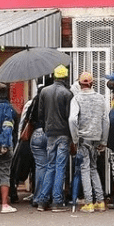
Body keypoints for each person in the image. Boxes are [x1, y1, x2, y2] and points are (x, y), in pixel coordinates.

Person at [68, 72, 109, 213]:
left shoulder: (77, 99)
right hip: (96, 138)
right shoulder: (101, 98)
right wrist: (103, 140)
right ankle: (100, 201)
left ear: (80, 84)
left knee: (84, 169)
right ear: (92, 83)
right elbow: (106, 120)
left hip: (83, 138)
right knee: (93, 168)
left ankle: (89, 202)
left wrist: (74, 139)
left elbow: (73, 120)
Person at [35, 65, 74, 212]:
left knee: (50, 166)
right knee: (60, 167)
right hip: (63, 133)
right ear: (65, 77)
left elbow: (40, 113)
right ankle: (57, 201)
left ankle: (42, 200)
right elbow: (69, 116)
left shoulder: (44, 91)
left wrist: (46, 128)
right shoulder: (67, 93)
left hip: (50, 132)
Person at [27, 76, 53, 208]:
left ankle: (37, 197)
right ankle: (48, 197)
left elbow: (29, 118)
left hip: (37, 132)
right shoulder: (55, 97)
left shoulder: (37, 99)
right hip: (52, 133)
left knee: (40, 167)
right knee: (52, 166)